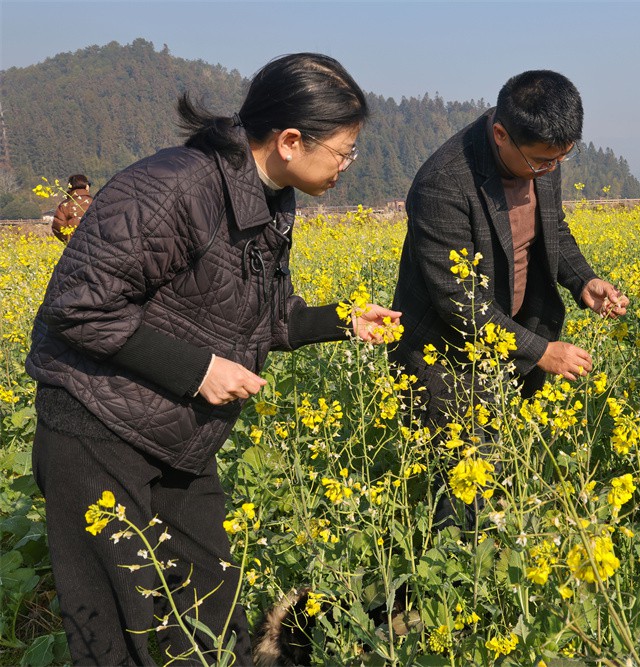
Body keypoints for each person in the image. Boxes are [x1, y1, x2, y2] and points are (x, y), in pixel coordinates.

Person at [26, 53, 400, 666]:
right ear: (289, 141)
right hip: (96, 426)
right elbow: (78, 308)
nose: (346, 166)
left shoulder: (271, 197)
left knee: (209, 608)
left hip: (176, 431)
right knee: (119, 632)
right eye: (343, 151)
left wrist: (341, 320)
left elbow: (259, 312)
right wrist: (200, 370)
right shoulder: (175, 186)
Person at [390, 70, 628, 523]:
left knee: (508, 462)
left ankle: (496, 566)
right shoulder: (442, 183)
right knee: (464, 483)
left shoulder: (541, 157)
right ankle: (450, 580)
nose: (551, 169)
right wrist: (542, 352)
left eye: (562, 158)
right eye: (542, 161)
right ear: (501, 134)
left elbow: (551, 228)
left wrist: (583, 282)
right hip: (447, 350)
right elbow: (458, 301)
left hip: (514, 330)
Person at [51, 173, 93, 243]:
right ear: (86, 186)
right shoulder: (95, 202)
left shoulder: (65, 205)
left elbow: (58, 227)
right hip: (94, 245)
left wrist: (69, 240)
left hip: (74, 245)